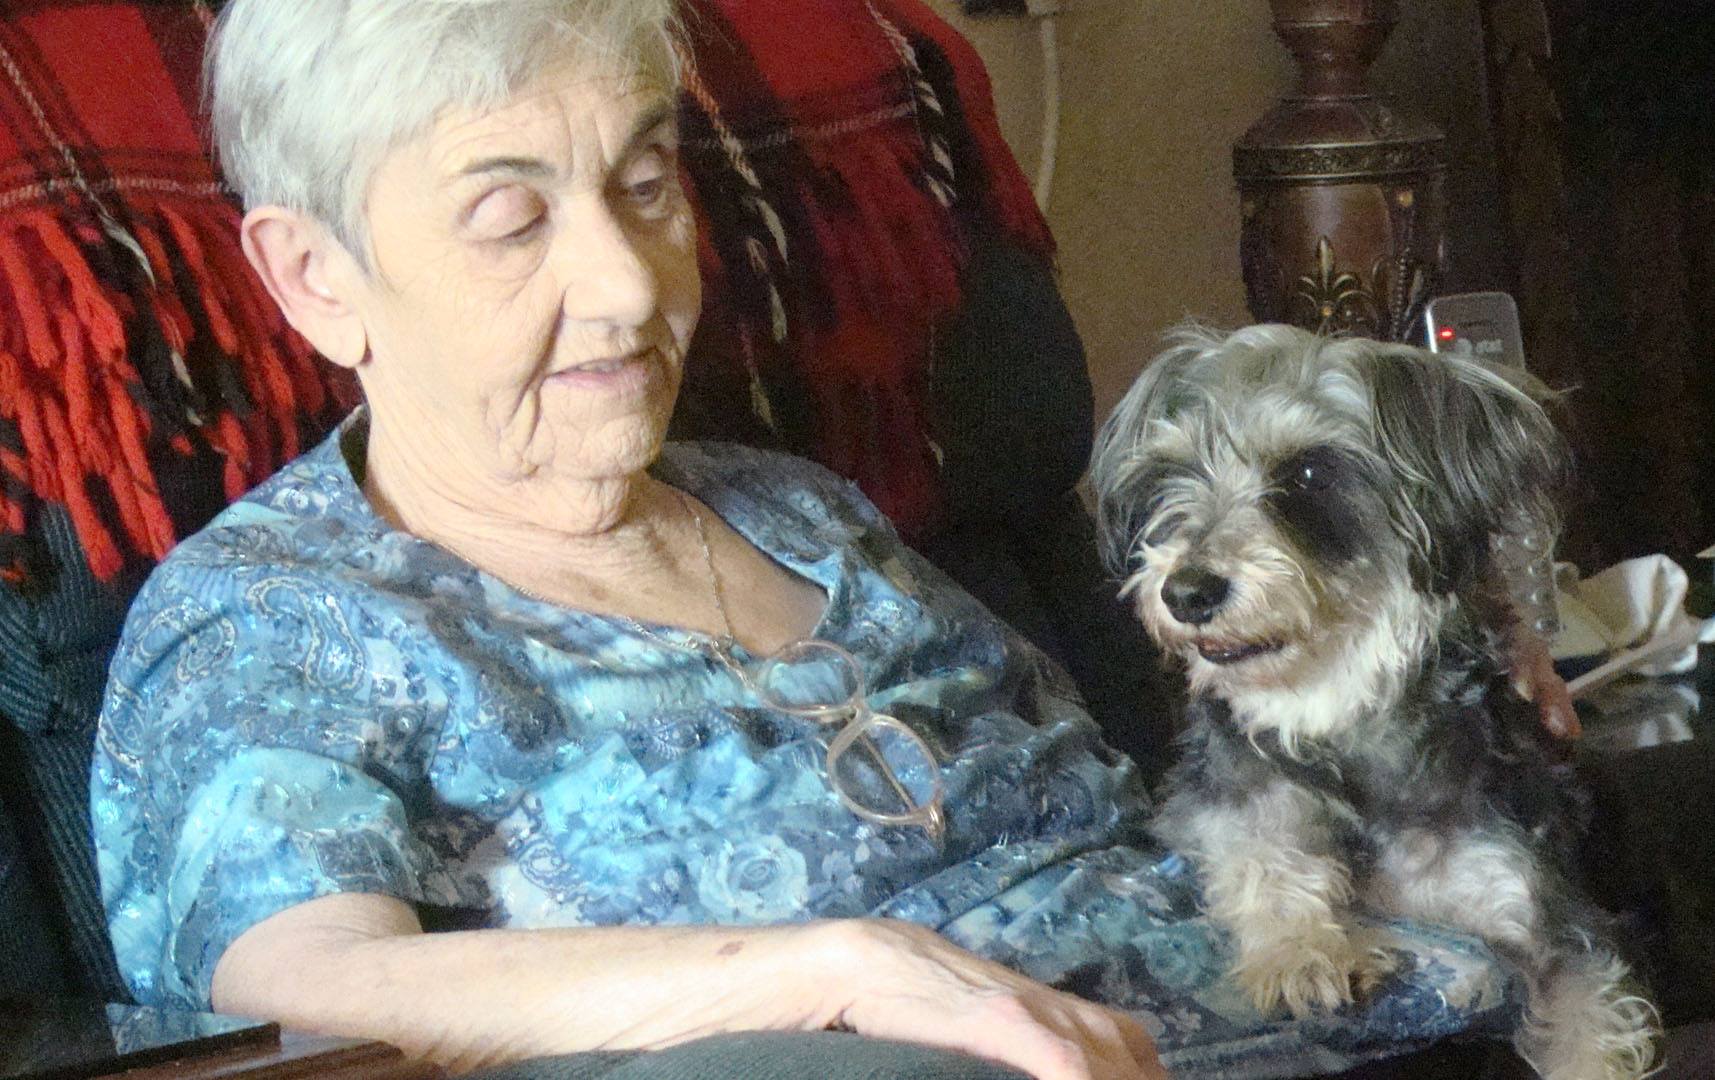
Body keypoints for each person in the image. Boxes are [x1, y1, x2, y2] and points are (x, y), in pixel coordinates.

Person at [90, 2, 1519, 1078]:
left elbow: (1164, 790)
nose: (627, 284)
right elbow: (298, 993)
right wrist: (825, 968)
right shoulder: (275, 621)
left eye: (646, 189)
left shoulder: (792, 505)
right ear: (313, 276)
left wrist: (1390, 675)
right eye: (511, 218)